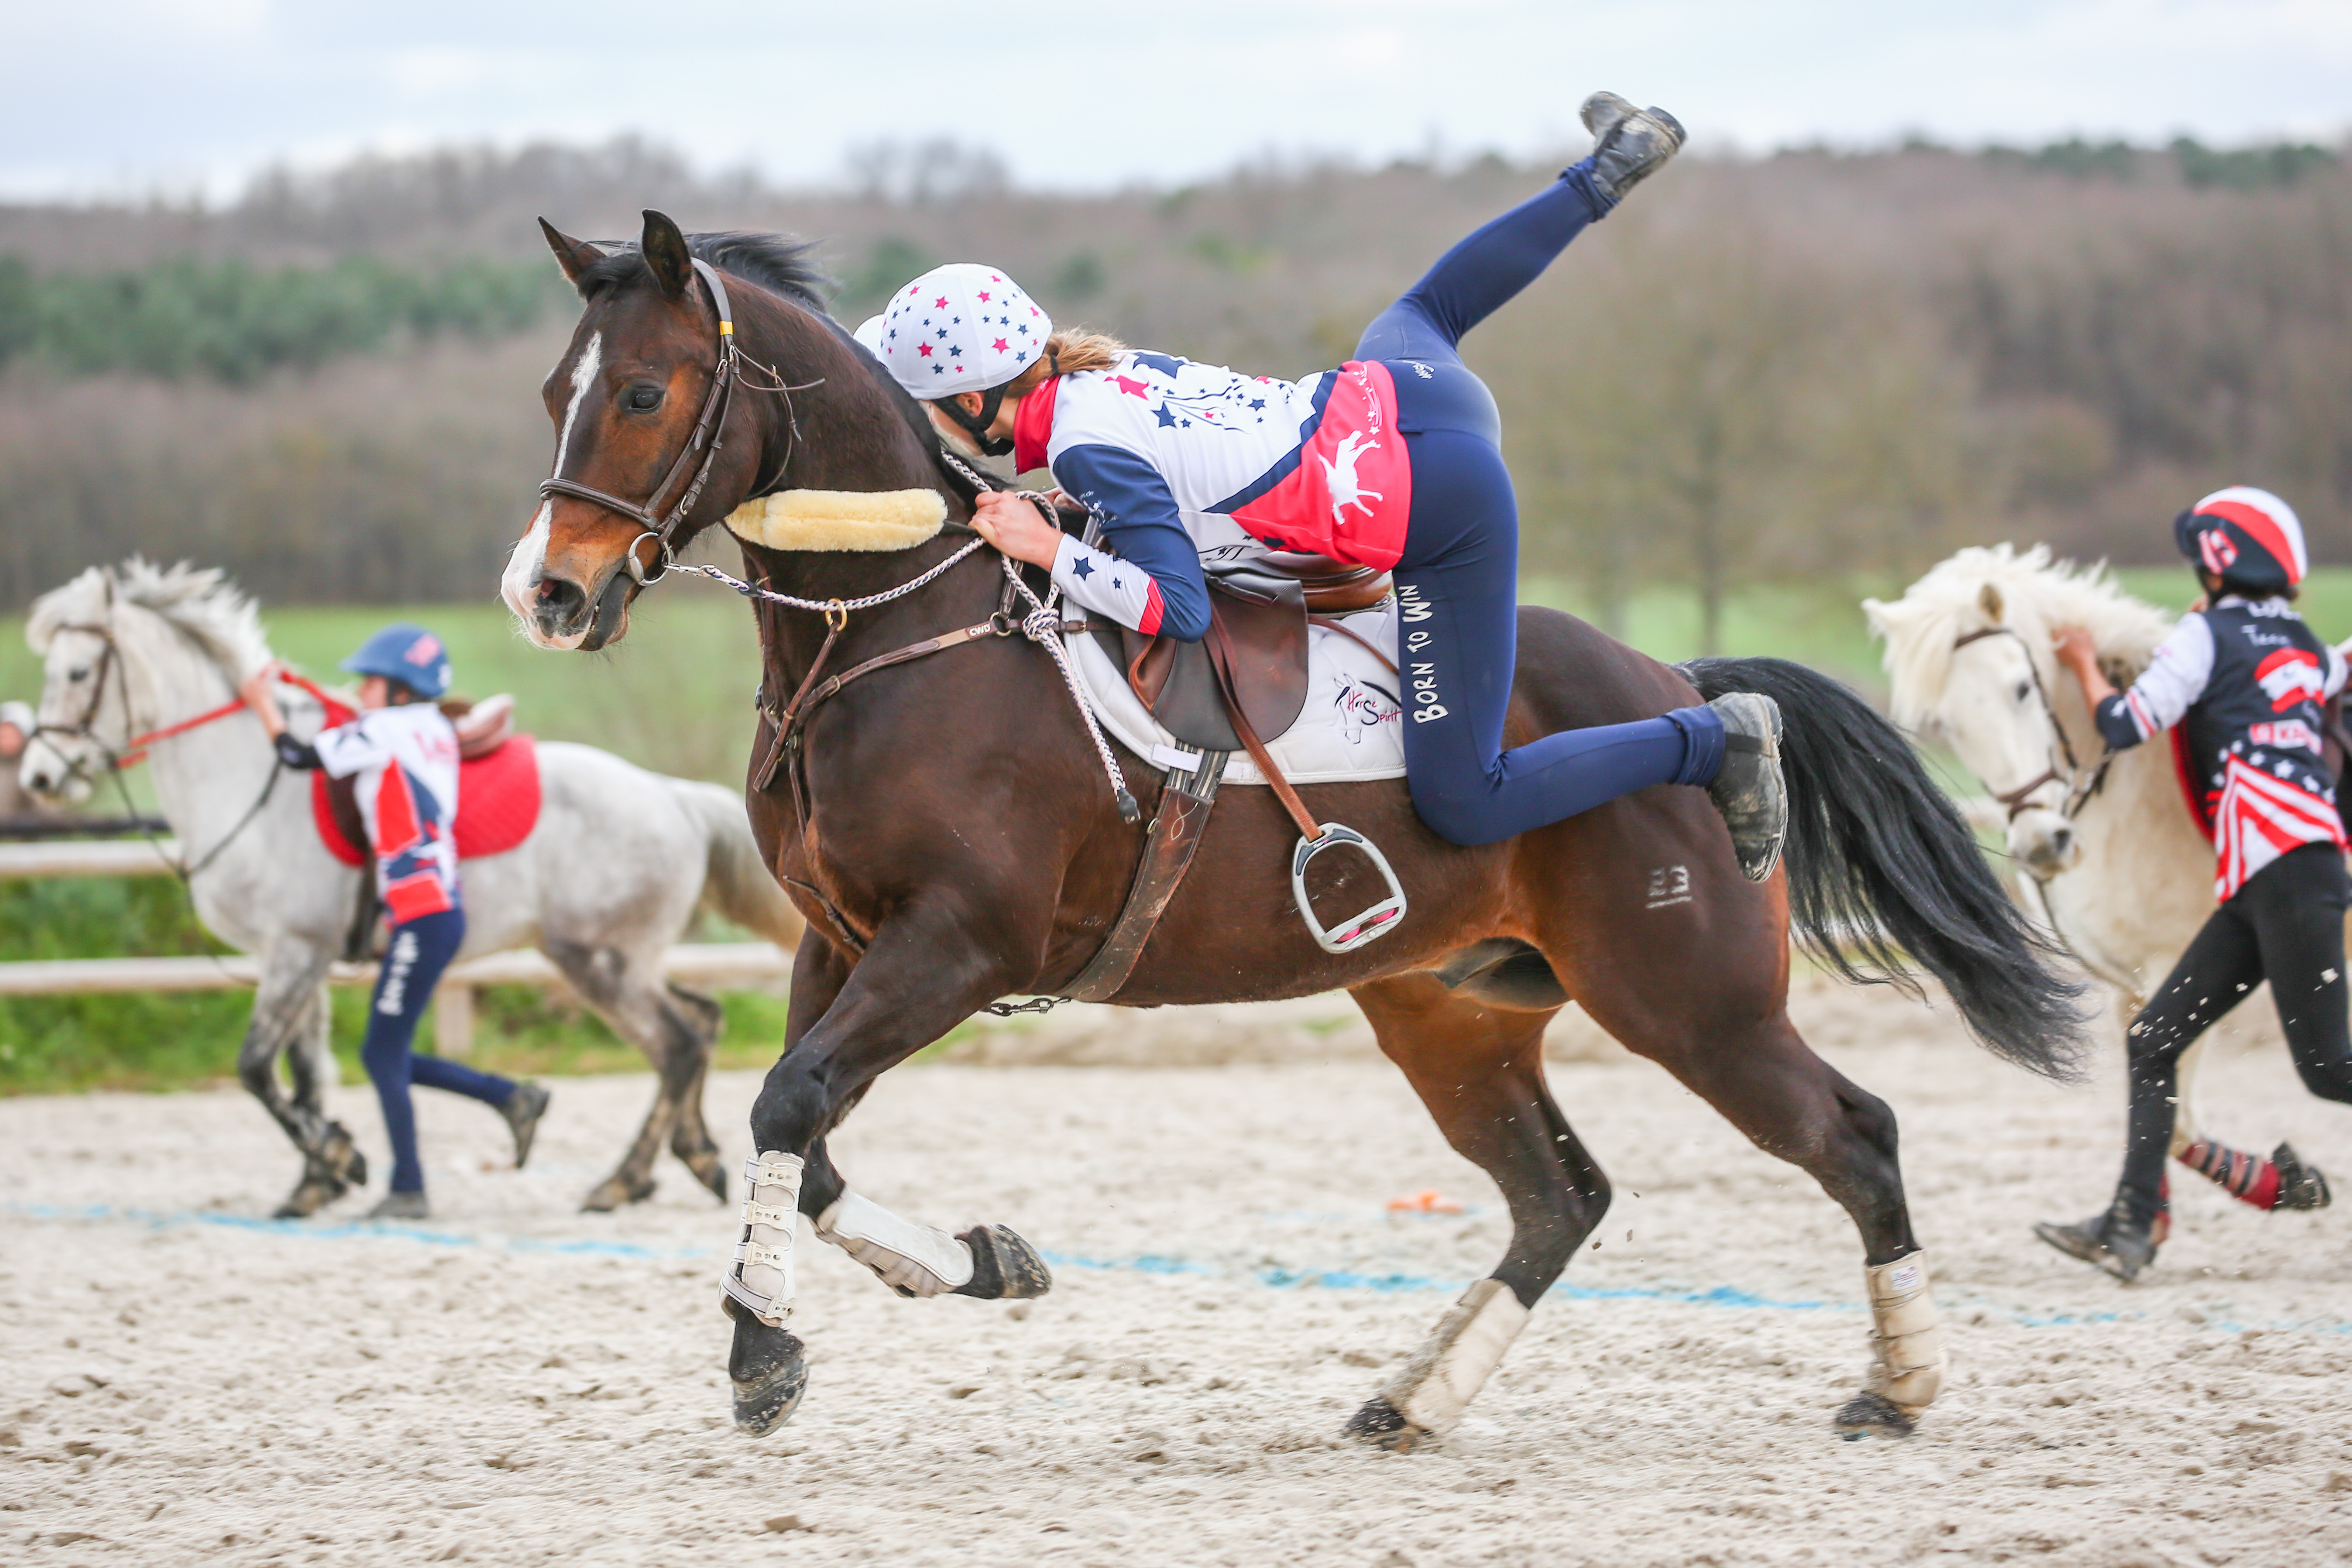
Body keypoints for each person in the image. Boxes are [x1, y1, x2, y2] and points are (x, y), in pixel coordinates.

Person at [852, 92, 1787, 878]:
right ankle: (1608, 169)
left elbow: (1176, 610)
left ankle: (1712, 742)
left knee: (1466, 798)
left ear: (973, 399)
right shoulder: (1095, 375)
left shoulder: (1084, 448)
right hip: (1410, 390)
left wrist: (1048, 546)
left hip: (1443, 508)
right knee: (1424, 309)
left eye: (926, 406)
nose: (925, 423)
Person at [2036, 487, 2352, 1280]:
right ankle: (2131, 1226)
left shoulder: (2205, 636)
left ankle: (2133, 1221)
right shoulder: (2306, 644)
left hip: (2279, 871)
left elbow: (2122, 726)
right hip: (2273, 876)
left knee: (2329, 1069)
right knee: (2153, 1040)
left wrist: (2080, 661)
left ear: (2215, 563)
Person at [239, 624, 549, 1220]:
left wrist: (263, 705)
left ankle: (411, 1186)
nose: (360, 691)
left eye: (369, 682)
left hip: (425, 912)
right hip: (431, 911)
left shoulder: (382, 731)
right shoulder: (431, 727)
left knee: (383, 1054)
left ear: (398, 689)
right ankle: (511, 1097)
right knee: (386, 1052)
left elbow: (298, 755)